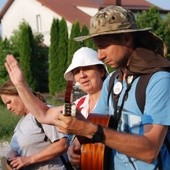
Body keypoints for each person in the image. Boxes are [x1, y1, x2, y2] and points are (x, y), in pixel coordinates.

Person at [5, 6, 170, 170]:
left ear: (126, 39)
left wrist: (88, 130)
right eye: (76, 71)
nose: (100, 55)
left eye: (104, 46)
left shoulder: (158, 80)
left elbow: (150, 150)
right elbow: (45, 114)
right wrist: (20, 84)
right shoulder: (113, 80)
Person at [0, 80, 68, 170]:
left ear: (21, 94)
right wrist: (12, 155)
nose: (8, 108)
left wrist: (29, 159)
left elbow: (62, 145)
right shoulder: (21, 122)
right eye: (5, 105)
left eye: (9, 102)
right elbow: (18, 149)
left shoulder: (45, 113)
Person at [64, 47, 108, 167]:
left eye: (87, 68)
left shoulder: (115, 100)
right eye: (77, 71)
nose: (82, 75)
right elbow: (69, 135)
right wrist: (71, 149)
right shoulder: (76, 104)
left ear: (102, 72)